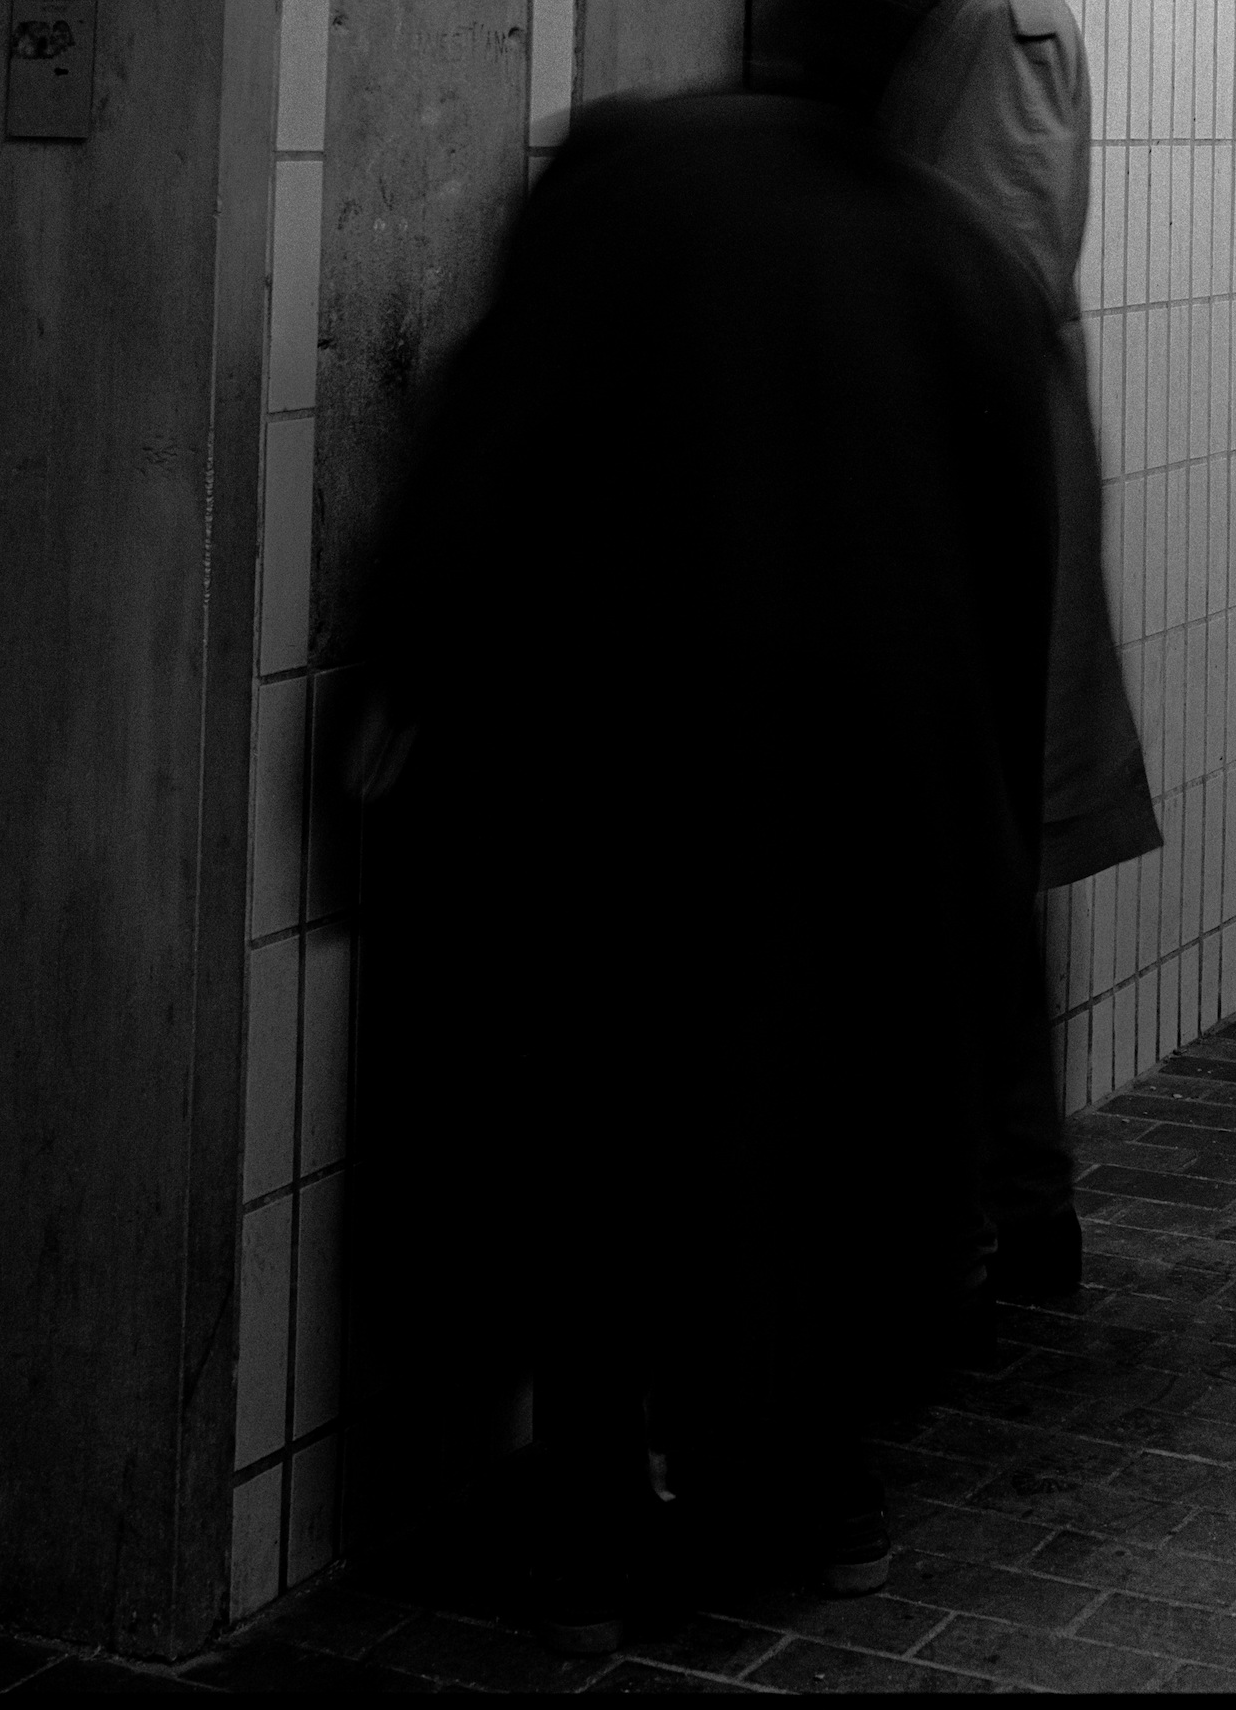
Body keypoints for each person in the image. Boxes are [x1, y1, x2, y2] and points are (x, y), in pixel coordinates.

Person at [342, 93, 1064, 1648]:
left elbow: (464, 504)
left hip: (623, 814)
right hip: (861, 839)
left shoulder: (618, 224)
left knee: (605, 1158)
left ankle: (604, 1497)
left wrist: (366, 741)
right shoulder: (951, 265)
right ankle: (795, 1487)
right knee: (806, 1159)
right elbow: (1019, 582)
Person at [825, 0, 1160, 1303]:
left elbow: (996, 289)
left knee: (951, 873)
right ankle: (1013, 1208)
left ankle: (983, 1212)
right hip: (940, 514)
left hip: (971, 517)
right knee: (957, 876)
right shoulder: (931, 24)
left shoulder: (1002, 28)